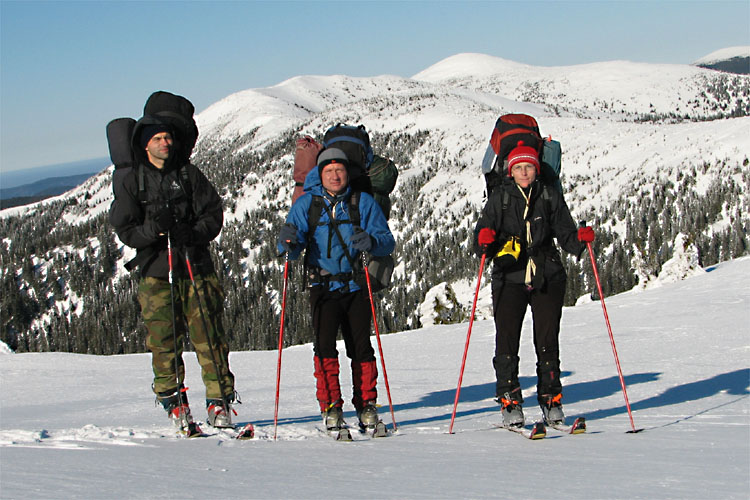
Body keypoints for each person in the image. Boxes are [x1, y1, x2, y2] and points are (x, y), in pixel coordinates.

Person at [109, 109, 239, 433]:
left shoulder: (189, 174)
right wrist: (154, 230)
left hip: (195, 264)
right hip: (157, 271)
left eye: (167, 137)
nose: (165, 143)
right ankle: (174, 403)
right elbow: (125, 229)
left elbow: (213, 213)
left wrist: (193, 233)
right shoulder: (132, 182)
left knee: (209, 337)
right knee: (164, 341)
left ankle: (218, 402)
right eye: (158, 139)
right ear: (145, 144)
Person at [474, 140, 595, 428]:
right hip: (509, 276)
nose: (524, 172)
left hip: (547, 276)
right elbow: (479, 237)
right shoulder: (499, 198)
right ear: (510, 171)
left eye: (529, 166)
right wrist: (484, 242)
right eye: (519, 167)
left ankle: (551, 399)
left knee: (547, 340)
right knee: (507, 340)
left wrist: (579, 240)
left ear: (536, 169)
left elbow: (565, 232)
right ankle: (509, 400)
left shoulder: (549, 196)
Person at [277, 148, 395, 432]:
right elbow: (289, 248)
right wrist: (288, 244)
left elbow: (386, 241)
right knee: (325, 348)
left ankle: (366, 405)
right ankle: (332, 405)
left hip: (356, 284)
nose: (334, 175)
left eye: (339, 170)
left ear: (347, 173)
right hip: (322, 286)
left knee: (361, 347)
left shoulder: (362, 202)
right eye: (328, 171)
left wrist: (371, 241)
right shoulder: (307, 205)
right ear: (320, 174)